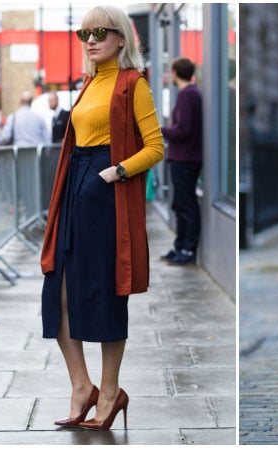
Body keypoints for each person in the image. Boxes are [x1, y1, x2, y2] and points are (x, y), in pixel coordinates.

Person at [39, 5, 164, 431]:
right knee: (56, 291)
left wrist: (114, 173)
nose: (90, 40)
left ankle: (110, 393)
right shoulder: (88, 83)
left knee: (108, 292)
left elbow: (155, 147)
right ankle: (82, 387)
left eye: (100, 33)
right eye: (84, 34)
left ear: (121, 38)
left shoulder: (133, 84)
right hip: (75, 190)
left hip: (107, 195)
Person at [160, 57, 203, 265]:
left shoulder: (187, 95)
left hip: (184, 159)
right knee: (181, 204)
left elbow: (183, 130)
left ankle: (187, 249)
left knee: (186, 205)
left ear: (175, 73)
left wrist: (162, 131)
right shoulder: (193, 93)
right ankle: (180, 246)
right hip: (185, 158)